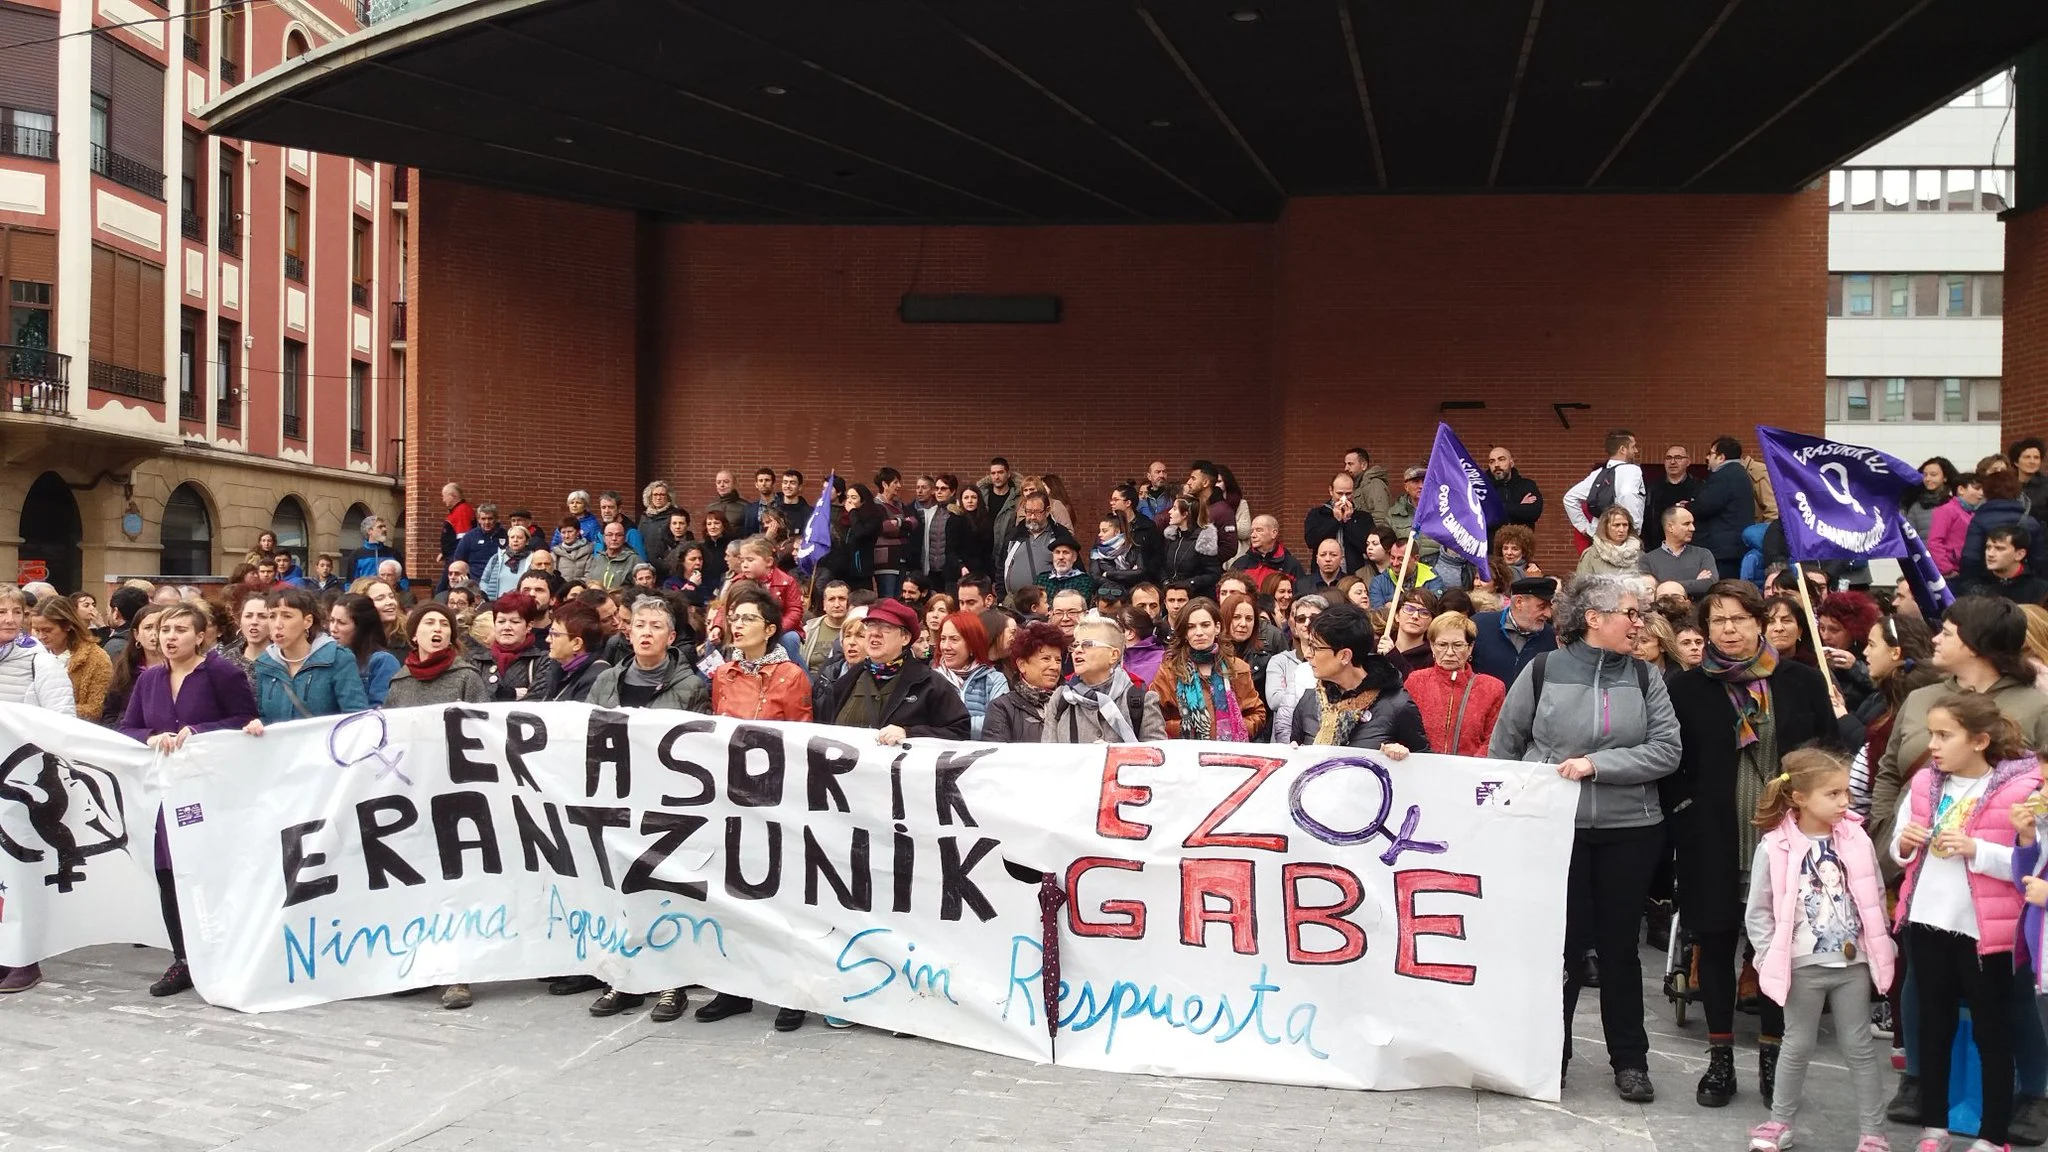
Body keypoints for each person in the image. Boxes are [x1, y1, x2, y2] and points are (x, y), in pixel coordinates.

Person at [1489, 573, 1682, 1104]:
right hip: (1555, 831)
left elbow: (1667, 751)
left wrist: (1598, 765)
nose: (1639, 622)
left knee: (1620, 950)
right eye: (1630, 613)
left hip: (1631, 830)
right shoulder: (1543, 669)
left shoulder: (1646, 677)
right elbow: (1505, 748)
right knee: (1563, 950)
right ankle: (1554, 1056)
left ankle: (1631, 1061)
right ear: (1593, 618)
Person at [1666, 579, 1843, 1108]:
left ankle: (1771, 1056)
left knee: (1777, 950)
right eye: (1718, 621)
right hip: (1714, 838)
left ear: (1761, 622)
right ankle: (1720, 1059)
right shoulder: (1688, 687)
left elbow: (1829, 754)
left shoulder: (1801, 682)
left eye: (1739, 619)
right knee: (1715, 944)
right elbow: (1673, 761)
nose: (1729, 629)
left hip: (1786, 840)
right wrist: (1686, 810)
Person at [1891, 692, 2041, 1152]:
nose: (1932, 744)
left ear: (1978, 741)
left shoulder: (2020, 790)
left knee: (1991, 1029)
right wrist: (1906, 842)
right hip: (1927, 920)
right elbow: (1898, 848)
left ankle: (1992, 1135)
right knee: (1933, 1028)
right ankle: (1933, 1127)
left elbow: (2031, 863)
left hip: (1985, 932)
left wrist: (1978, 851)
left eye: (1943, 735)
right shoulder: (1924, 783)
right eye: (1931, 733)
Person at [89, 602, 258, 1001]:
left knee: (213, 871)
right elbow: (127, 727)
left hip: (213, 793)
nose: (169, 636)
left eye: (181, 629)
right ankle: (183, 957)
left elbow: (246, 719)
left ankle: (225, 951)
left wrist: (199, 730)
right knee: (169, 874)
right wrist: (151, 738)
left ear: (201, 636)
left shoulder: (221, 671)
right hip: (164, 793)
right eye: (165, 629)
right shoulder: (148, 680)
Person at [1742, 750, 1896, 1152]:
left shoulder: (1857, 839)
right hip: (1801, 966)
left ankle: (1873, 1133)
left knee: (1859, 1046)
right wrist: (1766, 956)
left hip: (1852, 964)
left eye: (1846, 792)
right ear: (1800, 798)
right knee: (1796, 1045)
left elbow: (1875, 893)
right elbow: (1758, 909)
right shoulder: (1775, 847)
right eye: (1834, 793)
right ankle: (1780, 1123)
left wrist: (1878, 941)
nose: (1845, 801)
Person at [1290, 602, 1425, 752]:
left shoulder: (1397, 706)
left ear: (1345, 656)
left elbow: (1424, 764)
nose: (1308, 654)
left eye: (1315, 648)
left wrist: (1402, 758)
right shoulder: (1309, 701)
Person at [1840, 613, 1938, 819]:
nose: (1865, 652)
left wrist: (1843, 718)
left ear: (1895, 652)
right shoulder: (1882, 697)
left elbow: (1881, 756)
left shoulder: (1912, 705)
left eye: (1872, 645)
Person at [247, 587, 370, 727]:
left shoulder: (337, 658)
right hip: (281, 747)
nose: (277, 624)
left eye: (287, 616)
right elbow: (266, 717)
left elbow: (356, 717)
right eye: (272, 616)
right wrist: (258, 725)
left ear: (308, 621)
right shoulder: (265, 663)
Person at [1039, 612, 1167, 742]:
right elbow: (1049, 757)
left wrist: (1112, 754)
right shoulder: (1061, 698)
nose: (1077, 650)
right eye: (1075, 645)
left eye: (1088, 644)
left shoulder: (1141, 700)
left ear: (1113, 655)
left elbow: (1156, 756)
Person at [1151, 597, 1263, 740]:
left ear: (1217, 628)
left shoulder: (1238, 668)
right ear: (1185, 633)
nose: (1199, 632)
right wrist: (1186, 729)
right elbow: (1154, 718)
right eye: (1191, 627)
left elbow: (1257, 713)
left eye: (1205, 625)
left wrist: (1236, 728)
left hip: (1230, 754)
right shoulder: (1169, 671)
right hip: (1185, 756)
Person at [1404, 611, 1506, 758]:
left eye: (1458, 645)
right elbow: (1401, 728)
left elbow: (1494, 738)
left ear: (1470, 647)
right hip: (1421, 770)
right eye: (1442, 645)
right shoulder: (1416, 681)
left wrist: (1467, 768)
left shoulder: (1492, 688)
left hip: (1471, 774)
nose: (1450, 652)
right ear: (1432, 646)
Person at [385, 603, 490, 710]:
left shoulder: (467, 678)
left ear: (450, 638)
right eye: (429, 623)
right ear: (414, 635)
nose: (438, 629)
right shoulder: (400, 681)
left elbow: (483, 722)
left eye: (444, 624)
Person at [1960, 462, 2042, 595]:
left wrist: (1971, 587)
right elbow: (2040, 560)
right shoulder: (2030, 522)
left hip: (1988, 586)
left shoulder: (1980, 520)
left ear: (1987, 492)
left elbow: (1970, 559)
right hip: (2024, 587)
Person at [982, 620, 1065, 742]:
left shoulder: (1071, 703)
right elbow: (996, 756)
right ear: (1022, 665)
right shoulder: (1003, 707)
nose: (1055, 667)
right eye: (1046, 659)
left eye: (1058, 660)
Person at [31, 596, 111, 723]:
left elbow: (96, 708)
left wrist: (52, 711)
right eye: (36, 630)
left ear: (67, 625)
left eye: (47, 630)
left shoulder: (95, 658)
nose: (41, 636)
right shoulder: (31, 654)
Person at [0, 585, 76, 715]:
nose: (10, 620)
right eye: (1, 612)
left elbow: (63, 721)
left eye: (17, 612)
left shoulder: (42, 662)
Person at [1564, 430, 1647, 549]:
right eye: (1633, 447)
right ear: (1623, 449)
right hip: (1624, 540)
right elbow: (1628, 495)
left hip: (1600, 538)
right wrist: (1634, 530)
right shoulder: (1631, 470)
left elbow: (1569, 498)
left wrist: (1585, 527)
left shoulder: (1598, 474)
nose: (1636, 451)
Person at [1264, 595, 1327, 745]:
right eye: (1300, 619)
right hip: (1289, 746)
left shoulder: (1334, 662)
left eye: (1314, 617)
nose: (1307, 623)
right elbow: (1274, 700)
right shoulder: (1280, 661)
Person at [477, 592, 561, 702]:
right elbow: (471, 698)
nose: (506, 627)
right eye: (501, 621)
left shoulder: (543, 660)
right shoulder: (477, 660)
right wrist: (510, 694)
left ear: (529, 626)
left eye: (515, 622)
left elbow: (537, 700)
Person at [1472, 577, 1557, 685]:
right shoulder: (1480, 625)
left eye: (1550, 607)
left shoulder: (1552, 637)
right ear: (1519, 602)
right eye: (1542, 607)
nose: (1548, 614)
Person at [328, 593, 400, 707]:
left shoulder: (382, 661)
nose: (333, 629)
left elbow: (381, 711)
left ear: (361, 627)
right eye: (331, 621)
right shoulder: (329, 657)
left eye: (341, 623)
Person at [1640, 506, 1720, 598]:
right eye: (1686, 524)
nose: (1692, 528)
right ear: (1670, 527)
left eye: (1692, 523)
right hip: (1661, 611)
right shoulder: (1647, 560)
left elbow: (1710, 585)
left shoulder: (1703, 554)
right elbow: (1648, 592)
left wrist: (1663, 586)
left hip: (1697, 611)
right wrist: (1695, 582)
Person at [1159, 494, 1221, 598]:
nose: (1169, 512)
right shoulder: (1172, 537)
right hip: (1171, 595)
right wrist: (1165, 581)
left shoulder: (1203, 539)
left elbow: (1213, 574)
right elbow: (1162, 565)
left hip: (1195, 597)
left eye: (1174, 509)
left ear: (1185, 515)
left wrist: (1190, 583)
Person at [1644, 443, 1702, 547]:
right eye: (1668, 458)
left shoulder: (1699, 487)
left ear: (1688, 462)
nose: (1672, 462)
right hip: (1658, 547)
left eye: (1678, 458)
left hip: (1690, 548)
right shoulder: (1653, 488)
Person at [1979, 524, 2048, 604]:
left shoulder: (2042, 591)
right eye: (1988, 547)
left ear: (2019, 554)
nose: (1990, 554)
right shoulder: (1973, 585)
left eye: (1999, 548)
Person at [1378, 588, 1438, 678]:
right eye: (1409, 609)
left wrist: (1393, 656)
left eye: (1424, 613)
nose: (1415, 616)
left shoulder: (1434, 657)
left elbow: (1418, 687)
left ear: (1432, 621)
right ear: (1397, 615)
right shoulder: (1376, 646)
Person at [1485, 445, 1543, 537]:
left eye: (1501, 459)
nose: (1496, 465)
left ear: (1511, 463)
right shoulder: (1483, 488)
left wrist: (1497, 509)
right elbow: (1485, 517)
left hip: (1521, 546)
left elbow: (1533, 513)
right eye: (1492, 461)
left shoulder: (1526, 485)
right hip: (1491, 548)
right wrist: (1519, 507)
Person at [945, 485, 995, 585]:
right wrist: (960, 566)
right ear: (961, 500)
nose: (970, 501)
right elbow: (950, 550)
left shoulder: (986, 519)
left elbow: (988, 550)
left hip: (981, 573)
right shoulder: (955, 519)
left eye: (973, 497)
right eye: (966, 498)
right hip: (959, 572)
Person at [1576, 505, 1643, 577]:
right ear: (1605, 527)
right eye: (1616, 525)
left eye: (1625, 525)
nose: (1621, 530)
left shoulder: (1639, 554)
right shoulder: (1591, 555)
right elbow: (1581, 585)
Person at [479, 524, 536, 600]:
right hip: (496, 604)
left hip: (521, 605)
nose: (515, 540)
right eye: (512, 537)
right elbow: (484, 581)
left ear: (527, 541)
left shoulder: (533, 559)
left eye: (519, 537)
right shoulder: (497, 558)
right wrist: (487, 597)